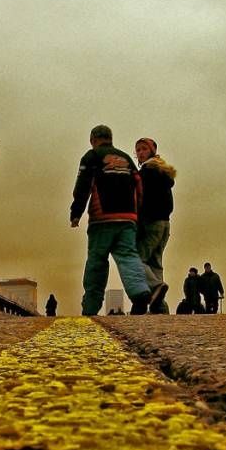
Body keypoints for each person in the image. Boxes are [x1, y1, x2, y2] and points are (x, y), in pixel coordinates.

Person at [70, 125, 151, 316]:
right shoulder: (127, 159)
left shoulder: (92, 156)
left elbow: (83, 185)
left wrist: (76, 212)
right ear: (110, 138)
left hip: (102, 218)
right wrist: (137, 214)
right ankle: (140, 292)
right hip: (128, 218)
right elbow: (139, 187)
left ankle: (91, 306)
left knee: (97, 261)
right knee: (128, 256)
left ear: (93, 140)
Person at [134, 137, 176, 314]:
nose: (140, 153)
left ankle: (155, 286)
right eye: (138, 150)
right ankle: (160, 307)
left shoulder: (147, 172)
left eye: (144, 149)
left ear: (152, 151)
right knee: (156, 264)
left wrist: (138, 220)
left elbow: (141, 199)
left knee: (137, 259)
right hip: (165, 223)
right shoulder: (163, 172)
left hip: (150, 222)